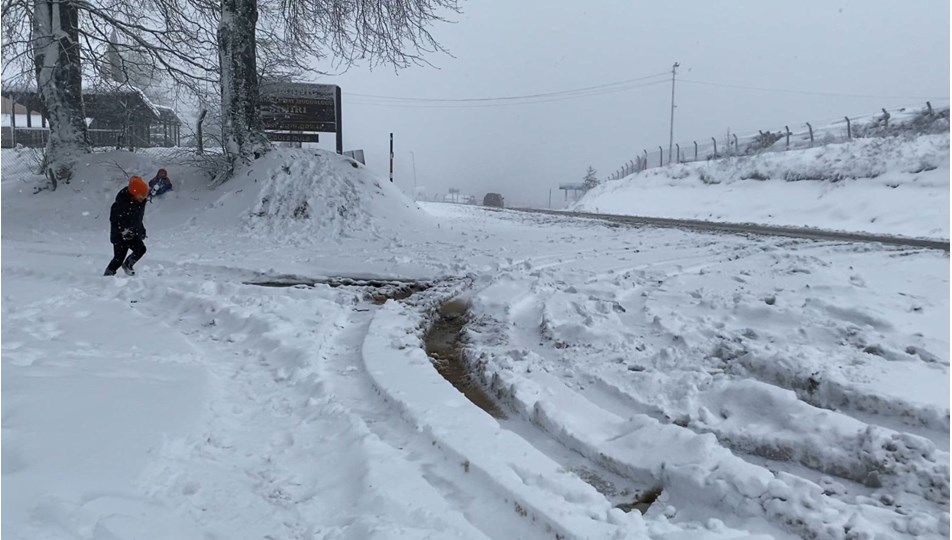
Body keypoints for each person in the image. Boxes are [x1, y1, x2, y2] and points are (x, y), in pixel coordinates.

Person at [104, 176, 149, 276]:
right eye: (141, 196)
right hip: (120, 236)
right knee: (118, 258)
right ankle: (107, 275)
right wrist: (123, 231)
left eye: (144, 196)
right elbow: (114, 220)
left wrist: (141, 230)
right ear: (134, 192)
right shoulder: (121, 203)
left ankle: (128, 264)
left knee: (141, 249)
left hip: (133, 233)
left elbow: (137, 219)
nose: (143, 198)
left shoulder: (139, 202)